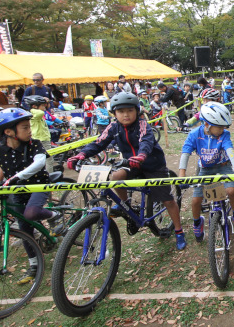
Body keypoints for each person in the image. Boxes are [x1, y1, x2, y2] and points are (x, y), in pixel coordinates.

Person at [67, 93, 187, 249]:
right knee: (116, 176)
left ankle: (179, 231)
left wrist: (142, 155)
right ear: (114, 114)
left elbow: (146, 141)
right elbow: (98, 143)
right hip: (131, 164)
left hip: (153, 165)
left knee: (168, 200)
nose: (125, 114)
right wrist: (81, 155)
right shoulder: (113, 127)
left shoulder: (142, 124)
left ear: (137, 111)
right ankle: (125, 204)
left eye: (130, 110)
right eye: (121, 111)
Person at [0, 108, 63, 284]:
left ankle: (55, 215)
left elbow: (39, 162)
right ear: (9, 132)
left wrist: (17, 177)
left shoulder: (34, 144)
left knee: (31, 213)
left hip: (38, 185)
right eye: (25, 127)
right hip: (17, 190)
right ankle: (34, 265)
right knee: (25, 229)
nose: (29, 130)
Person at [178, 102, 234, 240]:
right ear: (207, 124)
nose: (222, 129)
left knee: (231, 191)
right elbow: (185, 153)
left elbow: (230, 150)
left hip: (224, 165)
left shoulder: (224, 134)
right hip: (205, 168)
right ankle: (197, 222)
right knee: (196, 200)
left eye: (223, 127)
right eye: (219, 126)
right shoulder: (194, 134)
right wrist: (182, 176)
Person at [24, 95, 56, 173]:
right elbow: (41, 113)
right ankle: (49, 177)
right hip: (41, 140)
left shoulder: (33, 114)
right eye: (42, 105)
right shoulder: (34, 114)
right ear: (34, 106)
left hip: (42, 138)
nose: (44, 107)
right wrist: (34, 108)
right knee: (49, 161)